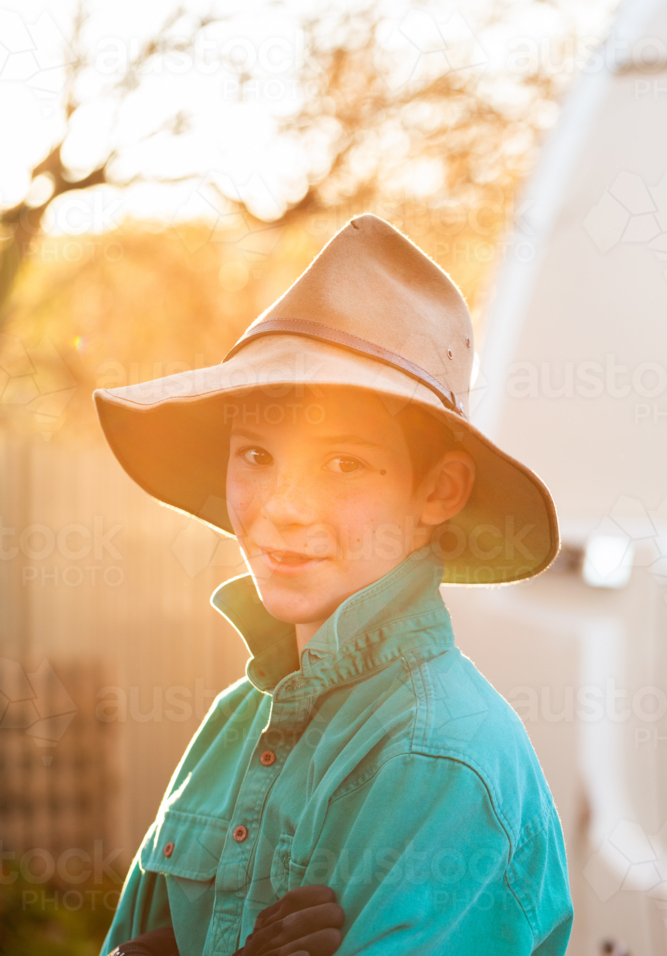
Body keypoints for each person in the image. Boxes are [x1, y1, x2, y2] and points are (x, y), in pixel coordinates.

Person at [94, 213, 574, 956]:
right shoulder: (235, 722)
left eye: (343, 463)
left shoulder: (439, 759)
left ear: (439, 492)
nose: (283, 509)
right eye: (254, 454)